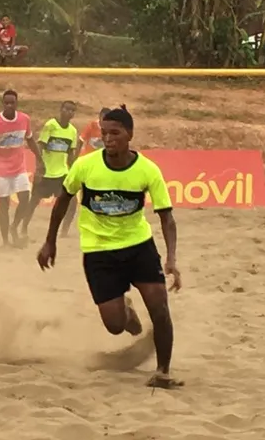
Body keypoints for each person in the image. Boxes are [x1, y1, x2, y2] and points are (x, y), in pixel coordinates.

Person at [36, 106, 183, 389]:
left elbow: (167, 217)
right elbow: (63, 200)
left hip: (139, 247)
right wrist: (50, 241)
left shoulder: (148, 169)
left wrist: (172, 258)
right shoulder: (85, 166)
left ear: (129, 134)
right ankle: (126, 310)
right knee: (115, 325)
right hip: (99, 252)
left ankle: (163, 372)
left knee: (160, 309)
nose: (108, 138)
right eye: (104, 133)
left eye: (115, 133)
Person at [0, 89, 42, 248]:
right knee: (4, 206)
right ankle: (5, 241)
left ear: (17, 103)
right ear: (2, 104)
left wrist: (39, 158)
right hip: (0, 170)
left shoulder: (24, 119)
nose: (9, 105)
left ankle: (14, 226)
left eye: (12, 102)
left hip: (19, 168)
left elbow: (30, 140)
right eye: (6, 103)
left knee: (25, 199)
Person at [21, 101, 78, 238]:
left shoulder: (73, 131)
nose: (69, 112)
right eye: (66, 109)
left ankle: (64, 231)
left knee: (72, 202)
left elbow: (70, 154)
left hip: (62, 173)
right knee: (34, 201)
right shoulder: (50, 125)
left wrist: (73, 172)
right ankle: (23, 228)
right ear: (61, 109)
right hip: (47, 172)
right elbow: (40, 147)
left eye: (72, 110)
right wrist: (39, 168)